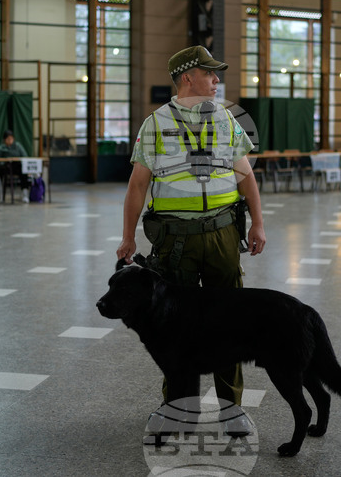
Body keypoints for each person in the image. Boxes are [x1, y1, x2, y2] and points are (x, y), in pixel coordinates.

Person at [116, 45, 267, 436]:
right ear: (187, 77)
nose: (217, 81)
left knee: (229, 323)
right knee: (173, 327)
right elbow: (138, 185)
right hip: (174, 242)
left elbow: (245, 176)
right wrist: (127, 236)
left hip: (221, 234)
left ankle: (232, 410)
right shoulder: (155, 123)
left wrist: (257, 224)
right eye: (210, 73)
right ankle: (178, 409)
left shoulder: (227, 120)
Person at [0, 129, 30, 202]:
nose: (10, 140)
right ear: (4, 140)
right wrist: (3, 163)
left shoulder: (18, 146)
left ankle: (25, 194)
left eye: (11, 138)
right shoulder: (2, 148)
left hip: (17, 167)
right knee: (6, 169)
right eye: (8, 139)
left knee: (24, 172)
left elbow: (25, 156)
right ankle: (4, 196)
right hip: (6, 168)